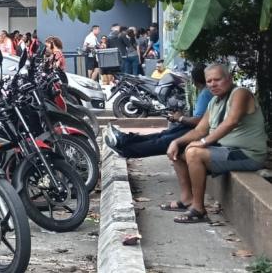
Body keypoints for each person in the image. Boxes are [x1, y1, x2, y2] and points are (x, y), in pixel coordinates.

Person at [164, 64, 267, 224]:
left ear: (229, 78)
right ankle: (187, 200)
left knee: (194, 153)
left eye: (217, 79)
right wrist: (176, 142)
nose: (212, 84)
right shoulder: (214, 102)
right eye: (209, 81)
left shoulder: (240, 93)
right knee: (177, 151)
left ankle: (198, 209)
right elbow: (199, 130)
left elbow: (231, 122)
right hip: (226, 151)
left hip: (247, 154)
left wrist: (203, 143)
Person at [105, 65, 213, 159]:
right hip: (198, 129)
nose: (213, 84)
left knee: (164, 140)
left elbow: (198, 122)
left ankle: (125, 149)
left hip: (201, 132)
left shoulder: (206, 94)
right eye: (211, 81)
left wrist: (180, 118)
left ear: (193, 80)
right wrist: (180, 118)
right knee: (163, 136)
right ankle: (124, 140)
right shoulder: (209, 94)